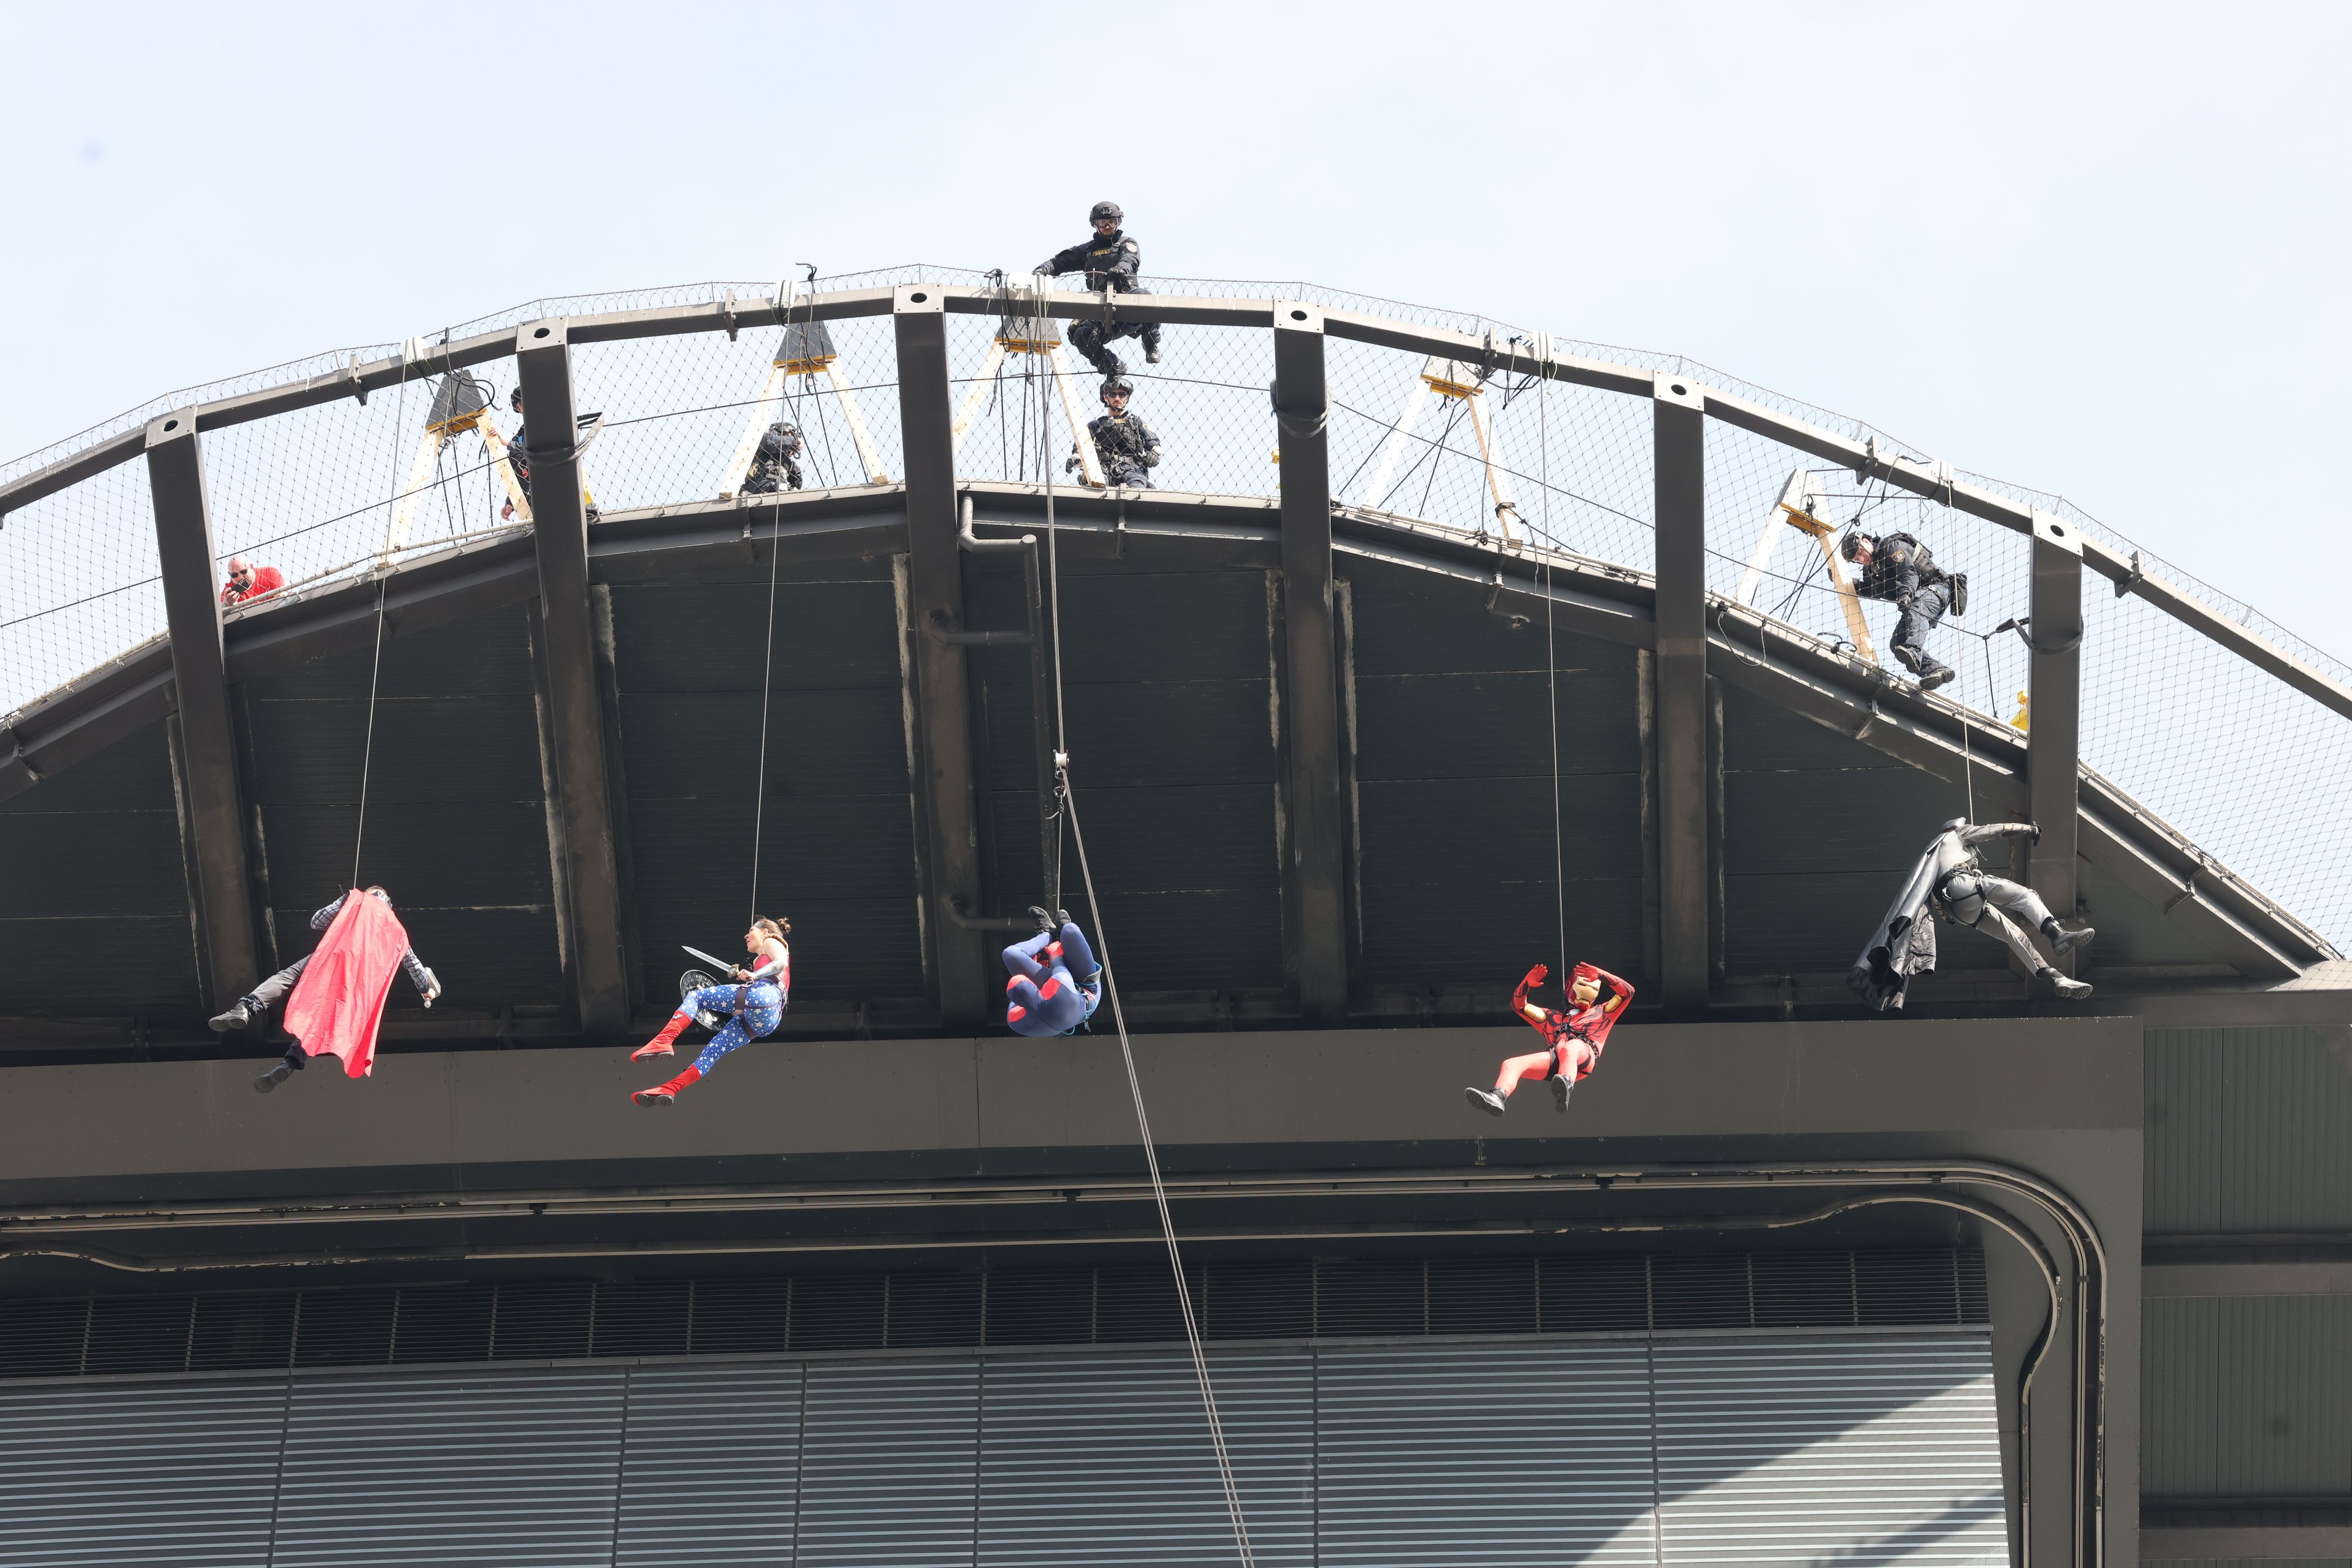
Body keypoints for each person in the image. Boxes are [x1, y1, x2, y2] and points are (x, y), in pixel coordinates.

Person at [212, 887, 440, 1092]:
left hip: (334, 958)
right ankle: (289, 1064)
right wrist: (425, 990)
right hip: (358, 984)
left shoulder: (357, 899)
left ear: (370, 895)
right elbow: (417, 972)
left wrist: (345, 904)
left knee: (287, 978)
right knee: (320, 1019)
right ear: (389, 904)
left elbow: (317, 921)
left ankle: (245, 1009)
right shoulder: (399, 931)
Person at [1853, 817, 2096, 1009]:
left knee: (2015, 936)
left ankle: (2056, 977)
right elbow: (1995, 830)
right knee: (2026, 896)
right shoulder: (1957, 835)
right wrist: (2030, 830)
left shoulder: (1933, 857)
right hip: (1962, 885)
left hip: (1961, 912)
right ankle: (2056, 934)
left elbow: (1937, 905)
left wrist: (1950, 912)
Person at [629, 917, 791, 1105]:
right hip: (763, 1022)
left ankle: (664, 1040)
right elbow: (738, 1009)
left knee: (696, 998)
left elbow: (781, 963)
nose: (746, 935)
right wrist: (713, 1000)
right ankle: (671, 1088)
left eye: (752, 930)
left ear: (764, 931)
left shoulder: (771, 939)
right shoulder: (759, 961)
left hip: (767, 995)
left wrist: (754, 975)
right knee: (712, 1052)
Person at [1466, 961, 1634, 1116]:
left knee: (1571, 1047)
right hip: (1557, 1061)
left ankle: (1566, 1085)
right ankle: (1498, 1097)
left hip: (1583, 1057)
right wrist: (1526, 983)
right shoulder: (1552, 1018)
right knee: (1512, 1064)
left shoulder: (1602, 1012)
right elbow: (1519, 1006)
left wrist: (1601, 974)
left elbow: (1628, 992)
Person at [1036, 200, 1162, 377]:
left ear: (1119, 222)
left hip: (1128, 305)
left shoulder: (1127, 243)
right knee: (1081, 335)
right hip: (1099, 309)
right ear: (1095, 224)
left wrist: (1121, 270)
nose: (1108, 227)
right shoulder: (1087, 250)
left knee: (1146, 298)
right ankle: (1112, 366)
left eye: (1112, 222)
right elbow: (1060, 262)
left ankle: (1151, 345)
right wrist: (1043, 270)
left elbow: (1130, 260)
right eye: (1103, 223)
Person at [1842, 530, 1967, 691]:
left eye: (1860, 552)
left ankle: (1914, 650)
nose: (1861, 558)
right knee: (1898, 644)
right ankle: (1937, 670)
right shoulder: (1873, 570)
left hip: (1937, 589)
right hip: (1919, 599)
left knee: (1916, 607)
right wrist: (1845, 582)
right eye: (1856, 559)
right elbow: (1875, 590)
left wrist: (1906, 595)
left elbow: (1909, 574)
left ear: (1866, 541)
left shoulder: (1892, 547)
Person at [1003, 907, 1102, 1038]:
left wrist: (1036, 966)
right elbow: (1061, 968)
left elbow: (1019, 996)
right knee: (1070, 931)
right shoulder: (1060, 996)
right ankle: (1061, 932)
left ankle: (1046, 935)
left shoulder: (1014, 1017)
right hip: (1082, 990)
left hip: (1053, 1001)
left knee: (1011, 954)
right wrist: (1054, 954)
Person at [1080, 378, 1163, 489]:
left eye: (1122, 394)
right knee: (1097, 485)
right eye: (1112, 394)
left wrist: (1155, 454)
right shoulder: (1095, 426)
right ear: (1106, 397)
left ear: (1127, 397)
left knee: (1137, 488)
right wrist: (1076, 458)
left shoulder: (1136, 423)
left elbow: (1154, 444)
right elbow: (1079, 450)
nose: (1117, 398)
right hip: (1102, 469)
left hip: (1132, 469)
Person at [741, 420, 804, 494]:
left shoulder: (786, 461)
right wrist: (793, 441)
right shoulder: (767, 436)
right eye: (789, 435)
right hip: (760, 484)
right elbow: (768, 442)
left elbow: (797, 483)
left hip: (780, 488)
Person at [220, 556, 285, 606]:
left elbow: (283, 601)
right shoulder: (228, 592)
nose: (240, 578)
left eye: (244, 572)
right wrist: (228, 604)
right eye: (234, 575)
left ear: (251, 567)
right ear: (230, 575)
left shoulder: (269, 573)